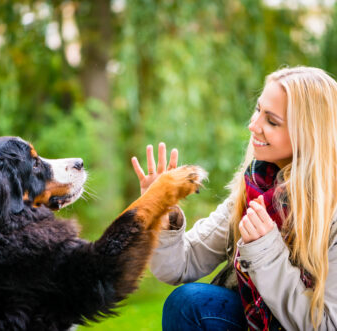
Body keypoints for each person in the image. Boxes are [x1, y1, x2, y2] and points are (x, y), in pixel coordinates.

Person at [131, 66, 337, 331]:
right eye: (258, 110)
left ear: (309, 136)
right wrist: (162, 210)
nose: (253, 125)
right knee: (188, 303)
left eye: (271, 121)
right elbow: (179, 265)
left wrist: (265, 251)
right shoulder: (257, 188)